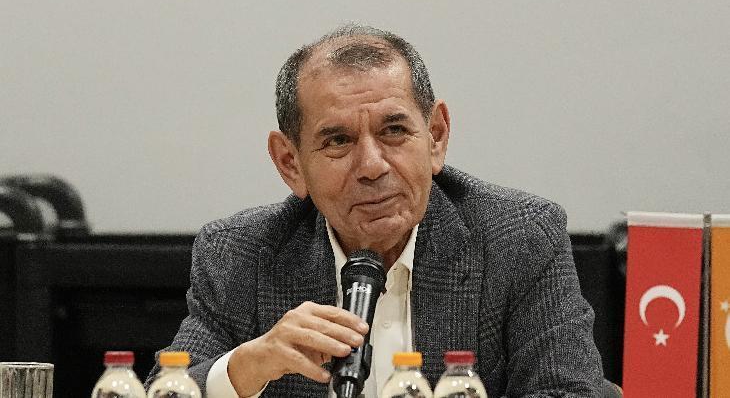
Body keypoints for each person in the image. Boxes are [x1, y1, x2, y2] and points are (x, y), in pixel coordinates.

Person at [147, 24, 604, 397]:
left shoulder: (519, 238)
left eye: (394, 131)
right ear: (291, 163)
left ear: (436, 136)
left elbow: (568, 391)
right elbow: (164, 388)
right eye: (338, 140)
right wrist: (245, 368)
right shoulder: (241, 254)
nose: (372, 165)